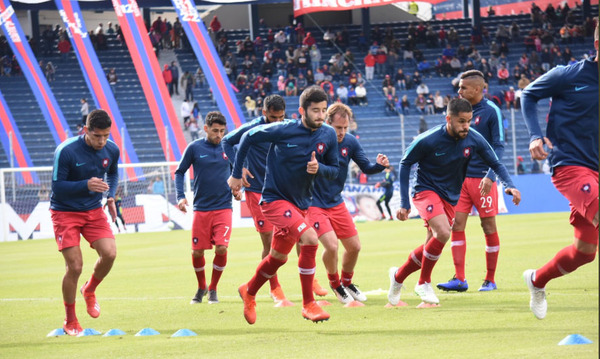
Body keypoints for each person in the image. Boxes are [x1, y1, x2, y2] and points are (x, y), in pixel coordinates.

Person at [387, 98, 520, 306]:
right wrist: (404, 203)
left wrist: (509, 185)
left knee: (430, 246)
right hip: (425, 191)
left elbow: (495, 162)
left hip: (450, 197)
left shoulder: (473, 138)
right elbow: (405, 164)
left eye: (469, 121)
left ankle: (397, 277)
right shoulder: (429, 139)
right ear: (448, 119)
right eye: (461, 121)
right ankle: (423, 283)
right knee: (443, 233)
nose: (466, 126)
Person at [228, 86, 339, 324]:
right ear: (301, 111)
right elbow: (247, 137)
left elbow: (335, 171)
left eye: (323, 110)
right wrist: (236, 174)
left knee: (277, 257)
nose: (320, 115)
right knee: (310, 238)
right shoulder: (283, 129)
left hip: (301, 205)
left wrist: (320, 169)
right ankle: (309, 304)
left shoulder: (328, 135)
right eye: (315, 111)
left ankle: (249, 290)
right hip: (274, 200)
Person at [520, 25, 599, 320]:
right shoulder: (568, 75)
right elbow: (527, 95)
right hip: (571, 166)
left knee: (585, 252)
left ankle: (537, 280)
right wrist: (534, 135)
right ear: (597, 43)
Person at [309, 103, 388, 304]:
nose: (342, 132)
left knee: (354, 247)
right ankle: (335, 284)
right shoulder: (317, 141)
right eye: (338, 128)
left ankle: (347, 282)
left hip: (336, 202)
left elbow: (366, 167)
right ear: (327, 123)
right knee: (332, 246)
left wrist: (379, 166)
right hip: (314, 203)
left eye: (346, 128)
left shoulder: (350, 142)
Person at [50, 109, 120, 336]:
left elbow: (113, 173)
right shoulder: (66, 151)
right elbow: (57, 187)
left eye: (106, 136)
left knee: (109, 253)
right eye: (97, 135)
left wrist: (111, 196)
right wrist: (86, 185)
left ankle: (89, 290)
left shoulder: (112, 149)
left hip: (93, 210)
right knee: (75, 266)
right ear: (86, 130)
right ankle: (70, 319)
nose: (102, 141)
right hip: (65, 212)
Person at [437, 70, 506, 293]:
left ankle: (490, 279)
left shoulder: (491, 111)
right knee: (456, 225)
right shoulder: (458, 111)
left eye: (463, 87)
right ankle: (459, 278)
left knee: (488, 226)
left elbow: (499, 145)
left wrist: (491, 175)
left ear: (477, 89)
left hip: (482, 179)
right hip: (459, 181)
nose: (459, 91)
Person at [222, 95, 291, 304]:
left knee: (292, 238)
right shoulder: (252, 128)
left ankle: (311, 281)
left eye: (281, 118)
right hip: (258, 191)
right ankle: (274, 288)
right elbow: (226, 141)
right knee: (270, 242)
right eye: (272, 118)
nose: (277, 122)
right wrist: (238, 168)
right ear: (264, 113)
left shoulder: (286, 127)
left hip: (281, 189)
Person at [175, 111, 238, 305]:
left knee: (221, 247)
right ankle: (201, 286)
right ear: (205, 129)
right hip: (201, 208)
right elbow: (179, 172)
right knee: (197, 252)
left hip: (223, 207)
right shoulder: (194, 148)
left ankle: (213, 288)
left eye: (222, 131)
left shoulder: (229, 148)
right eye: (215, 131)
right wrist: (180, 197)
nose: (219, 135)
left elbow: (237, 173)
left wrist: (237, 189)